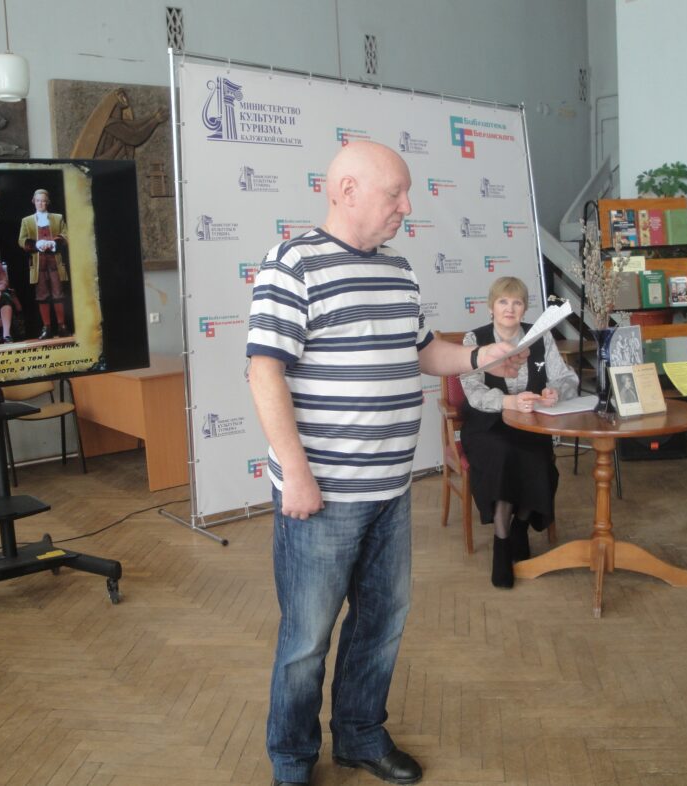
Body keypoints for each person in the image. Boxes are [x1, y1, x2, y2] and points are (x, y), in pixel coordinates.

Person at [246, 141, 524, 786]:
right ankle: (292, 760)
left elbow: (422, 351)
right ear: (346, 190)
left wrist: (480, 358)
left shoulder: (399, 267)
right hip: (323, 493)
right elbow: (264, 373)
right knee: (307, 640)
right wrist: (297, 473)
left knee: (381, 623)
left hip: (392, 487)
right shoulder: (292, 263)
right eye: (395, 193)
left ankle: (360, 736)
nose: (407, 206)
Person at [459, 276, 578, 589]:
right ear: (491, 307)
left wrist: (555, 392)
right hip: (487, 425)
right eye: (503, 301)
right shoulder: (475, 338)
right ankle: (502, 541)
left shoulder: (541, 337)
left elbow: (566, 378)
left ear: (524, 308)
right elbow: (472, 390)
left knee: (538, 460)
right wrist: (508, 401)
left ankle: (520, 527)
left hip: (530, 424)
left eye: (517, 302)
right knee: (503, 455)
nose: (509, 308)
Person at [18, 188, 69, 339]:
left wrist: (53, 243)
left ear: (47, 202)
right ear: (34, 202)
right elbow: (21, 240)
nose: (41, 203)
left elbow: (66, 235)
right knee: (42, 295)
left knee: (58, 294)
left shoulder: (58, 218)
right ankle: (47, 328)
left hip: (55, 262)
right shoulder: (27, 221)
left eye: (43, 201)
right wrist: (37, 244)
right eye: (38, 201)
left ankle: (62, 326)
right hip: (38, 263)